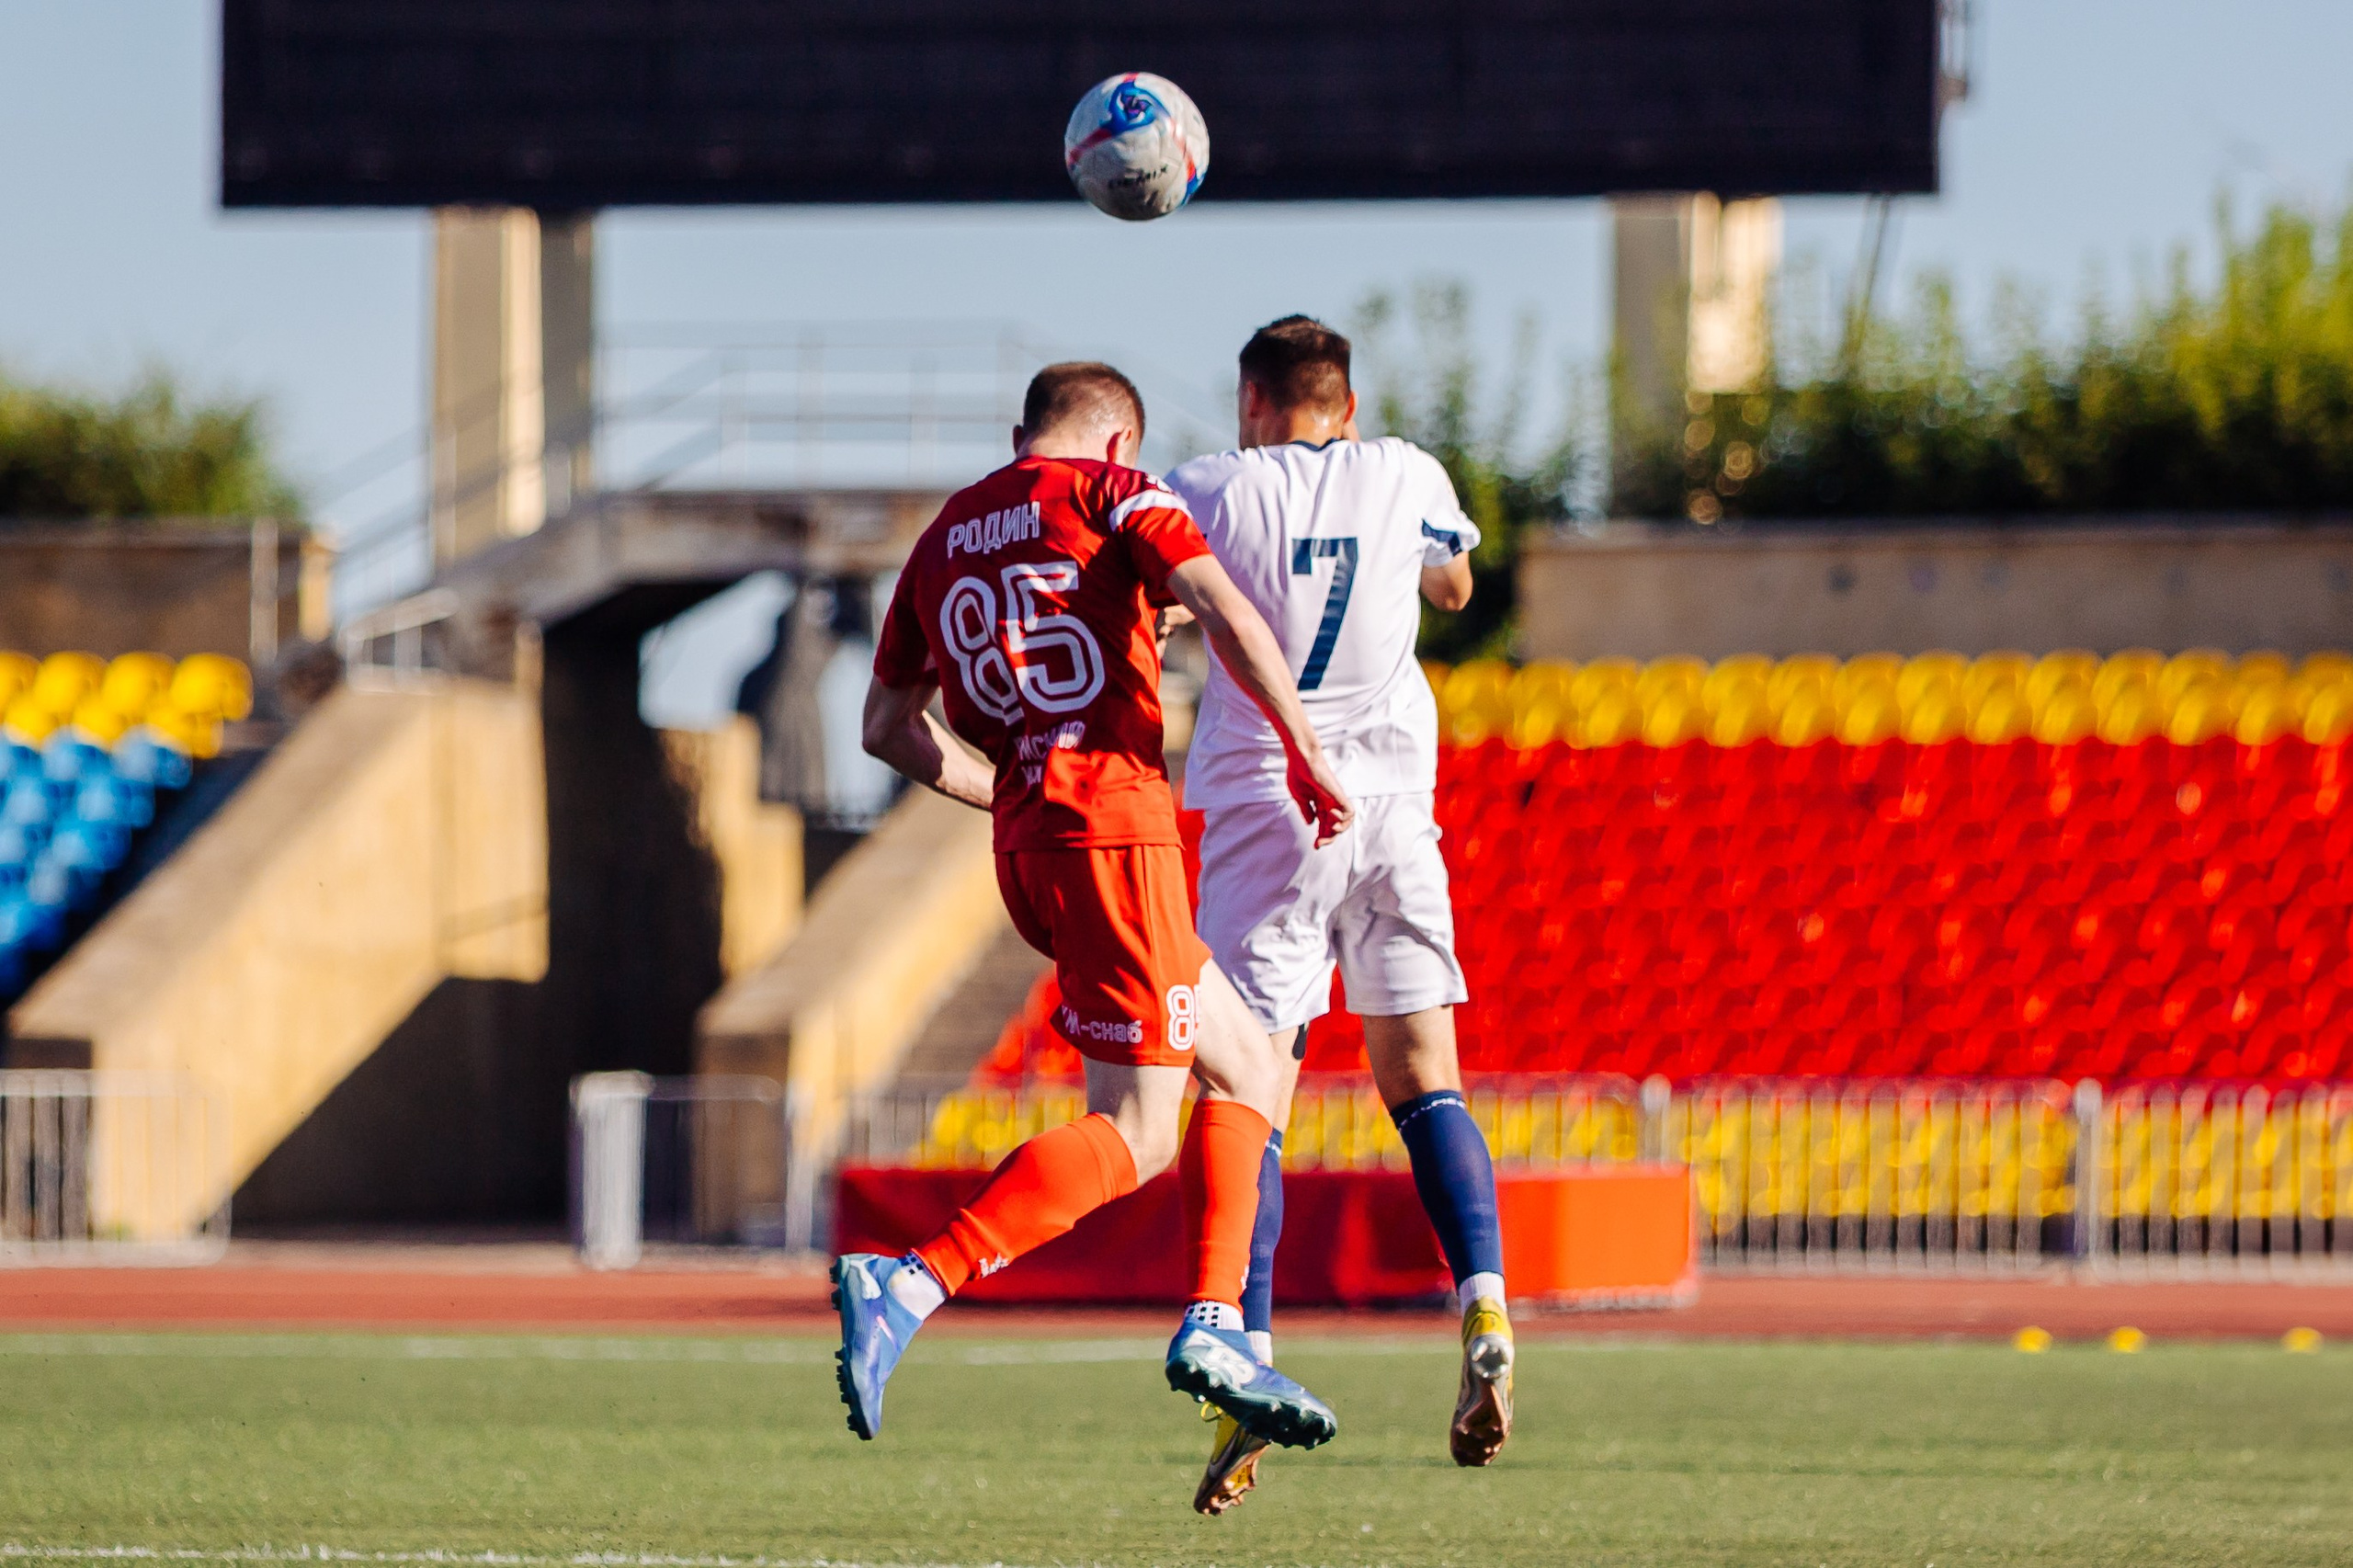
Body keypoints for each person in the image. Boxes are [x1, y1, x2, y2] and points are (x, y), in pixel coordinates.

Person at [835, 360, 1356, 1467]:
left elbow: (884, 725)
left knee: (1250, 1064)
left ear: (1019, 432)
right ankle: (912, 1279)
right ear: (1121, 441)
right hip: (1116, 834)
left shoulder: (946, 533)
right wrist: (1306, 747)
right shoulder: (1116, 493)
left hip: (1030, 848)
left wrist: (1006, 786)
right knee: (1139, 1128)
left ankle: (1217, 1323)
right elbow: (1224, 606)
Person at [1165, 316, 1512, 1513]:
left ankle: (1248, 1367)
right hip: (1394, 807)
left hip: (1270, 803)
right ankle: (1485, 1301)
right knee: (1426, 1079)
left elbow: (1157, 596)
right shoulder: (1408, 471)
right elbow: (1455, 582)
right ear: (1347, 405)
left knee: (1248, 1090)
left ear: (1251, 402)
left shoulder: (1211, 484)